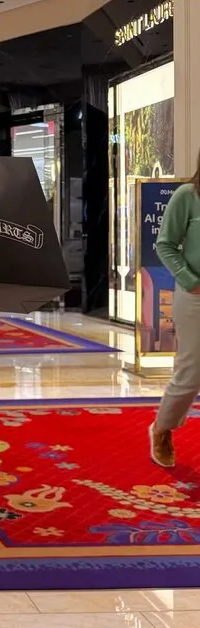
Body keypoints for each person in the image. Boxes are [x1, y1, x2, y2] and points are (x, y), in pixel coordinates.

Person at [150, 152, 200, 467]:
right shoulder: (188, 196)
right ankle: (163, 428)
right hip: (195, 296)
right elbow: (165, 244)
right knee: (191, 373)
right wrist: (190, 281)